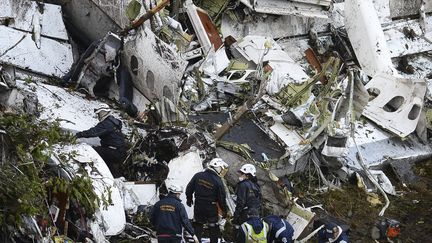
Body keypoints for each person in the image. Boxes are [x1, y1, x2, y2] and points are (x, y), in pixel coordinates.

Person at [75, 104, 127, 177]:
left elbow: (94, 132)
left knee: (91, 150)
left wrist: (79, 135)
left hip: (112, 151)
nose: (98, 116)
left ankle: (86, 172)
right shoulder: (113, 122)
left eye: (99, 114)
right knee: (110, 168)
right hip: (118, 151)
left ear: (103, 113)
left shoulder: (107, 124)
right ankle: (117, 178)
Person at [185, 158, 229, 243]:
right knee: (213, 227)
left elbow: (189, 188)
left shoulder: (198, 175)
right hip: (211, 207)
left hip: (198, 204)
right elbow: (221, 198)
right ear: (218, 167)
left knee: (198, 225)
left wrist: (189, 199)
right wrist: (224, 211)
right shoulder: (218, 181)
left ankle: (197, 241)